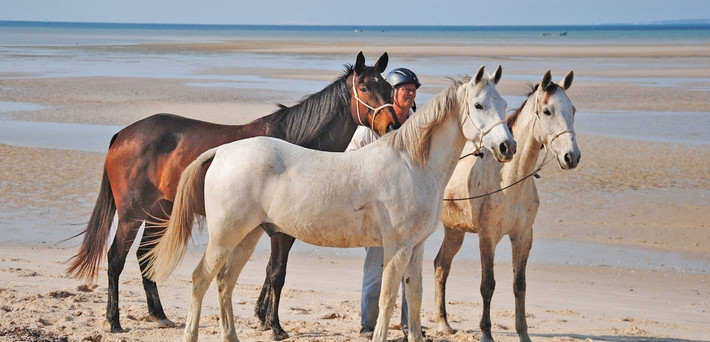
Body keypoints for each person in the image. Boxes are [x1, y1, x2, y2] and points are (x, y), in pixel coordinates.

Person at [347, 67, 421, 340]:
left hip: (410, 214)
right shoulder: (365, 131)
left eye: (414, 88)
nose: (411, 93)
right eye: (405, 88)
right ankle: (368, 325)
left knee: (409, 272)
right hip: (378, 216)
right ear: (392, 93)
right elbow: (349, 165)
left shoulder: (419, 126)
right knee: (375, 269)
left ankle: (407, 326)